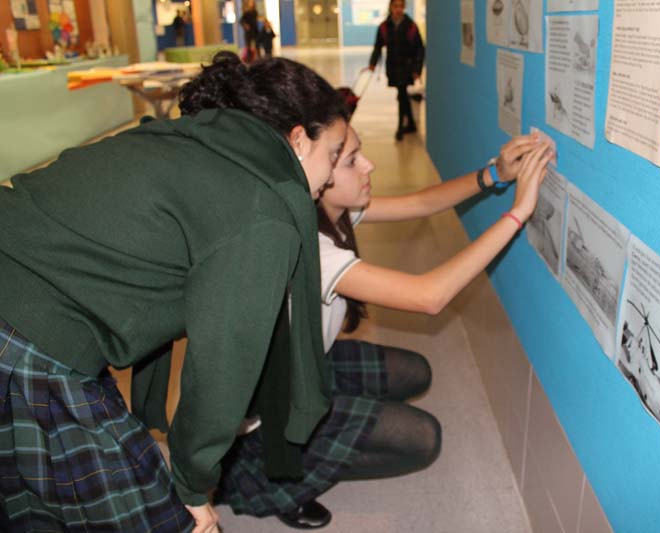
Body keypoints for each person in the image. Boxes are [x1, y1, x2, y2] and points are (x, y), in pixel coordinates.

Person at [0, 52, 349, 533]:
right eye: (333, 154)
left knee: (32, 495)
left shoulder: (190, 140)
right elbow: (222, 364)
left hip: (31, 301)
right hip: (29, 337)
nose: (332, 175)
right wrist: (192, 483)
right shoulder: (262, 210)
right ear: (297, 140)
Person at [215, 128, 555, 528]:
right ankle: (271, 480)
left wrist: (495, 173)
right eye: (350, 160)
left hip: (308, 366)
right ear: (318, 178)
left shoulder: (327, 211)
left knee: (416, 372)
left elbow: (423, 202)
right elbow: (429, 296)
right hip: (273, 415)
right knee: (422, 439)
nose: (369, 164)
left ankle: (323, 424)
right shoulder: (308, 247)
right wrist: (519, 211)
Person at [369, 0, 425, 141]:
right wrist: (372, 63)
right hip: (393, 67)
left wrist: (417, 69)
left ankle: (400, 127)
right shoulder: (384, 27)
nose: (398, 9)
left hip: (407, 67)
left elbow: (419, 49)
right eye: (395, 6)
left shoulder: (410, 26)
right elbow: (378, 46)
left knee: (401, 94)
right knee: (402, 94)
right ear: (391, 7)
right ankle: (411, 123)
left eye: (401, 6)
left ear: (404, 8)